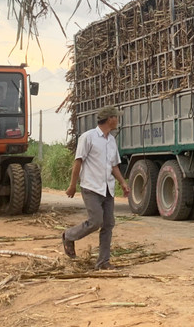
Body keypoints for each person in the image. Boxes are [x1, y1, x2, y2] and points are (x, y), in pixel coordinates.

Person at [62, 105, 130, 269]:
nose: (118, 120)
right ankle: (69, 235)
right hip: (91, 187)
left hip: (108, 188)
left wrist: (122, 182)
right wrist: (72, 185)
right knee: (96, 221)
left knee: (108, 224)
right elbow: (78, 161)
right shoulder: (88, 137)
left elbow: (114, 165)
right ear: (110, 119)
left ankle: (103, 262)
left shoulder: (111, 140)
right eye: (117, 117)